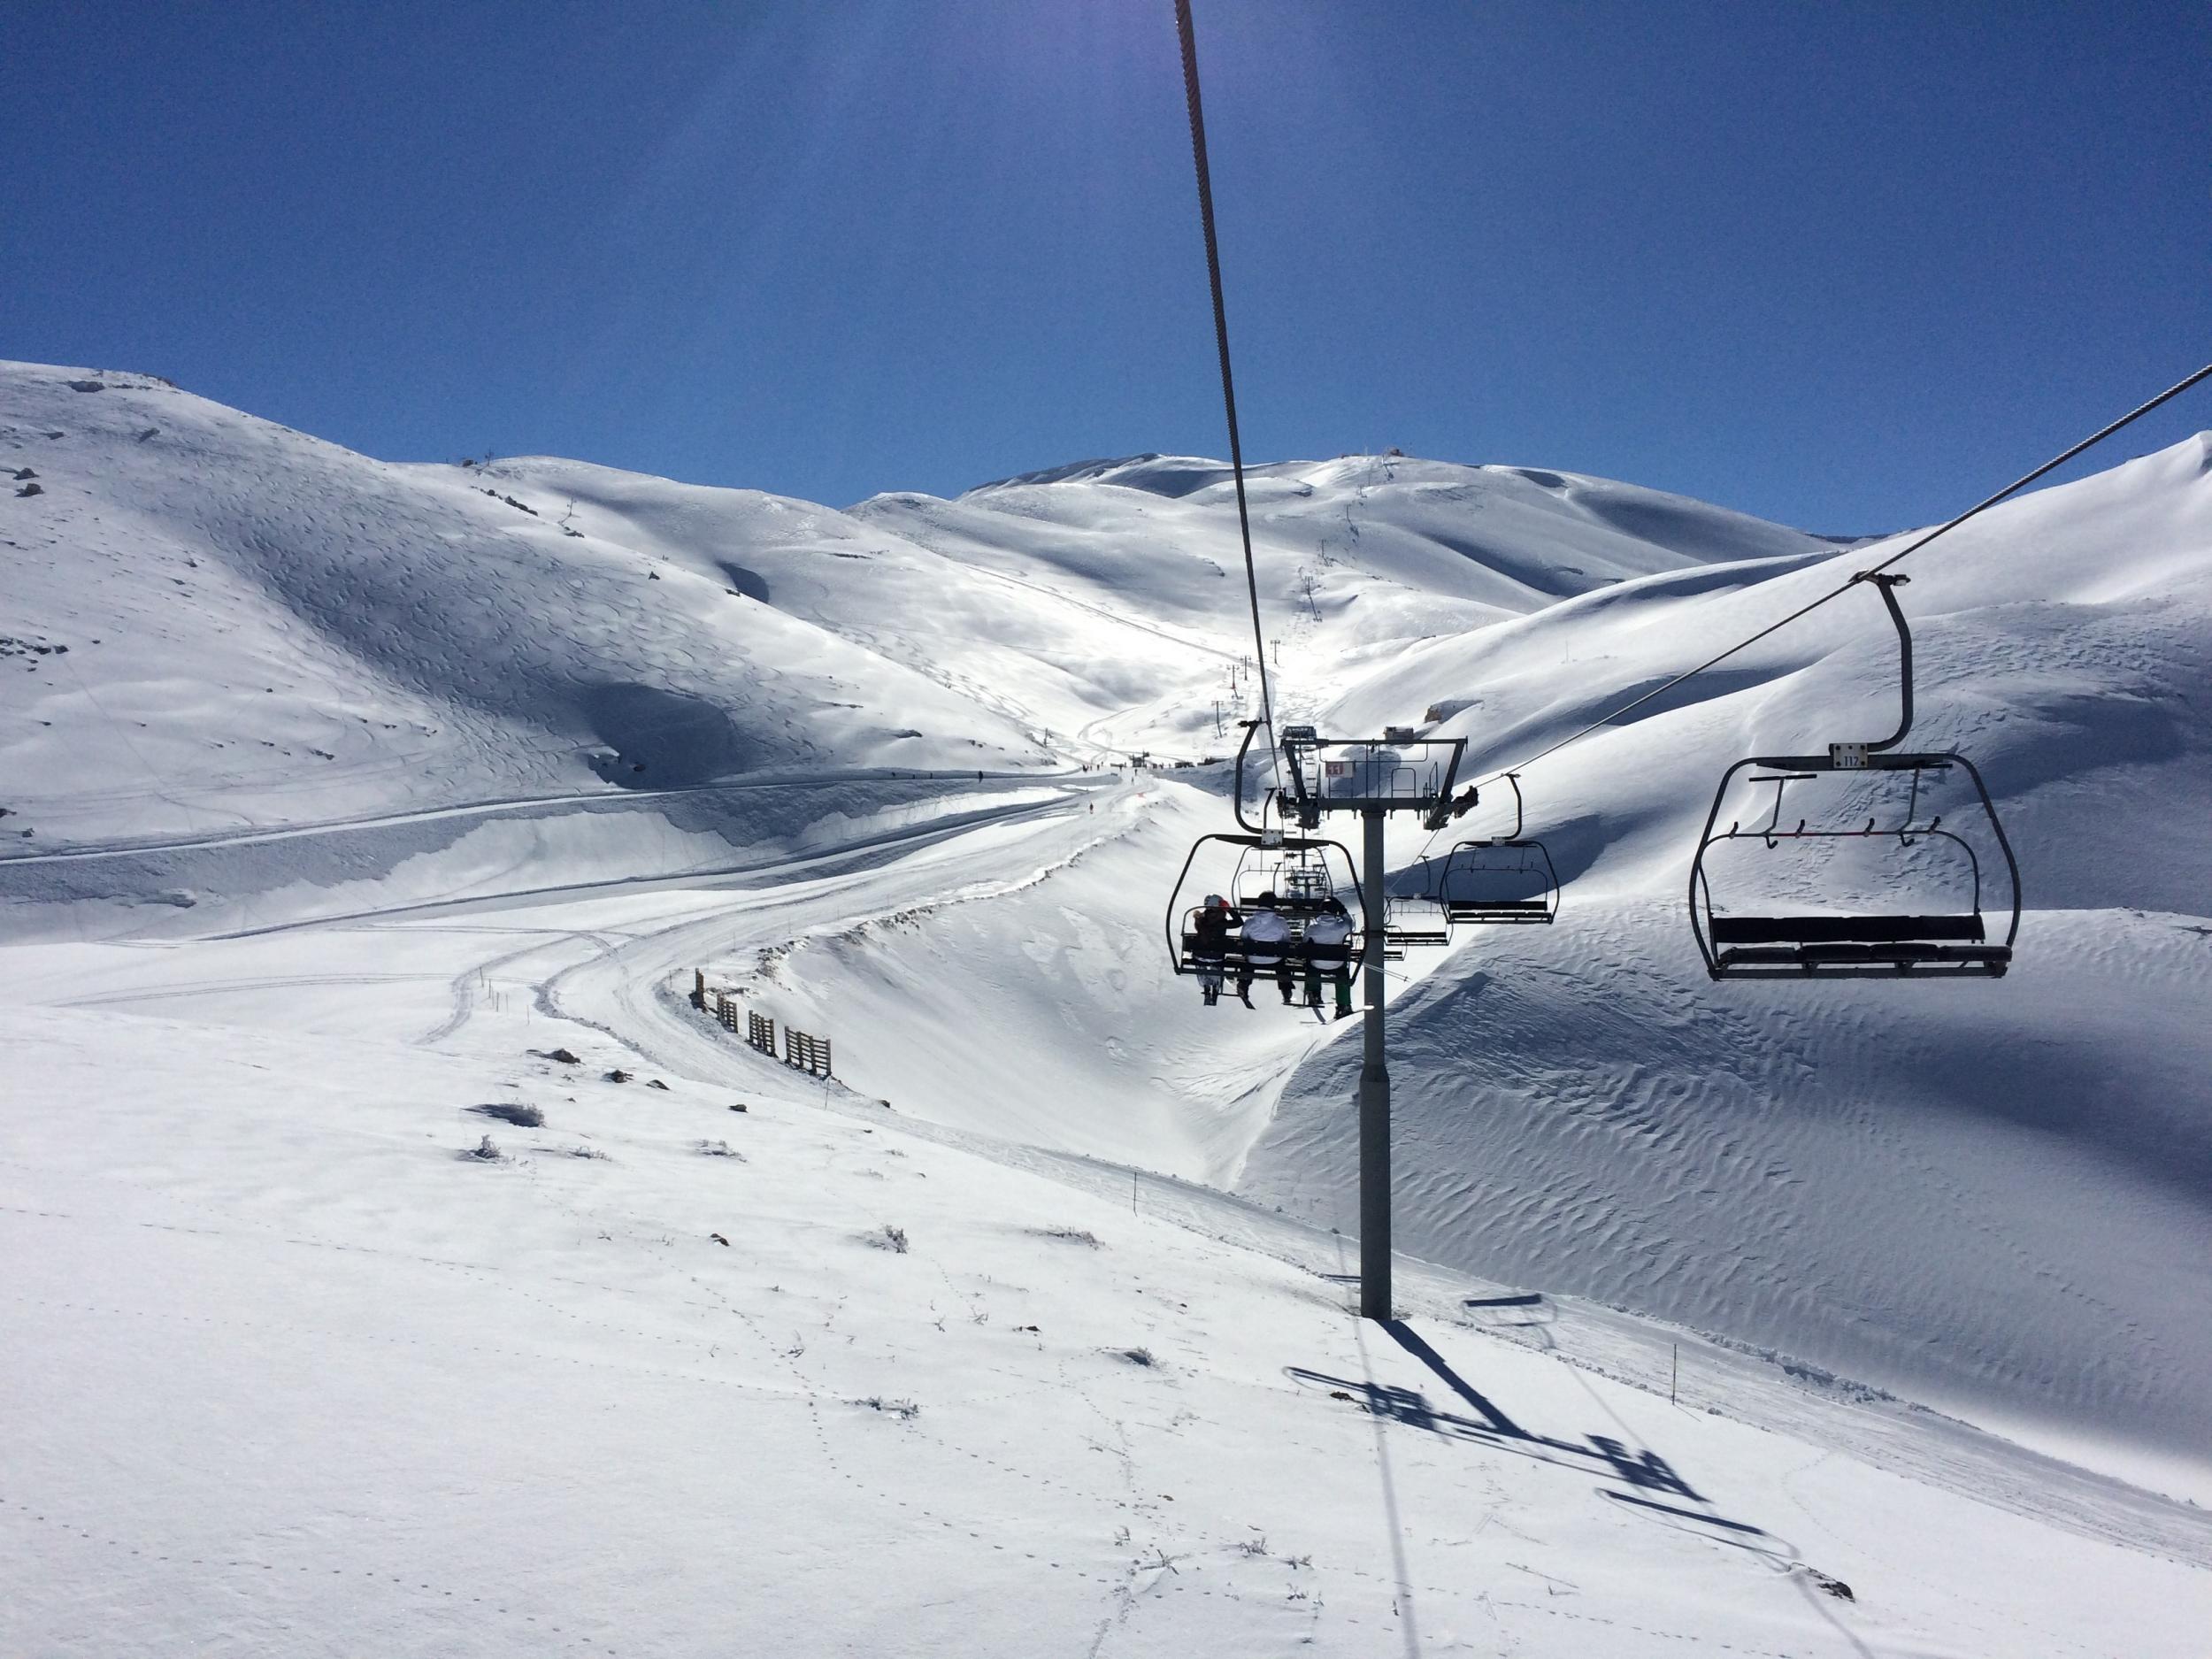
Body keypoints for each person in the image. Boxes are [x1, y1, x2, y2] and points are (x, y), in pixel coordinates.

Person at [1238, 891, 1296, 1006]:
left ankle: (1244, 984)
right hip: (1275, 960)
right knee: (1282, 963)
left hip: (1253, 959)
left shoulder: (1250, 922)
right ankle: (1286, 989)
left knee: (1248, 959)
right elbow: (1287, 940)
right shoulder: (1280, 922)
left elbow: (1243, 939)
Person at [1302, 897, 1355, 1019]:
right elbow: (1350, 923)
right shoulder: (1341, 927)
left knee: (1311, 964)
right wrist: (1343, 911)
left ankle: (1314, 993)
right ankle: (1343, 1004)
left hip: (1316, 964)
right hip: (1336, 964)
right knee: (1343, 975)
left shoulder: (1313, 928)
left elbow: (1305, 942)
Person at [1190, 893, 1240, 1007]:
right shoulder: (1222, 921)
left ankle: (1206, 988)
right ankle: (1216, 989)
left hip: (1199, 955)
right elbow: (1239, 922)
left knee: (1201, 958)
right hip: (1216, 957)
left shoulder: (1200, 919)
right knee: (1217, 958)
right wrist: (1230, 910)